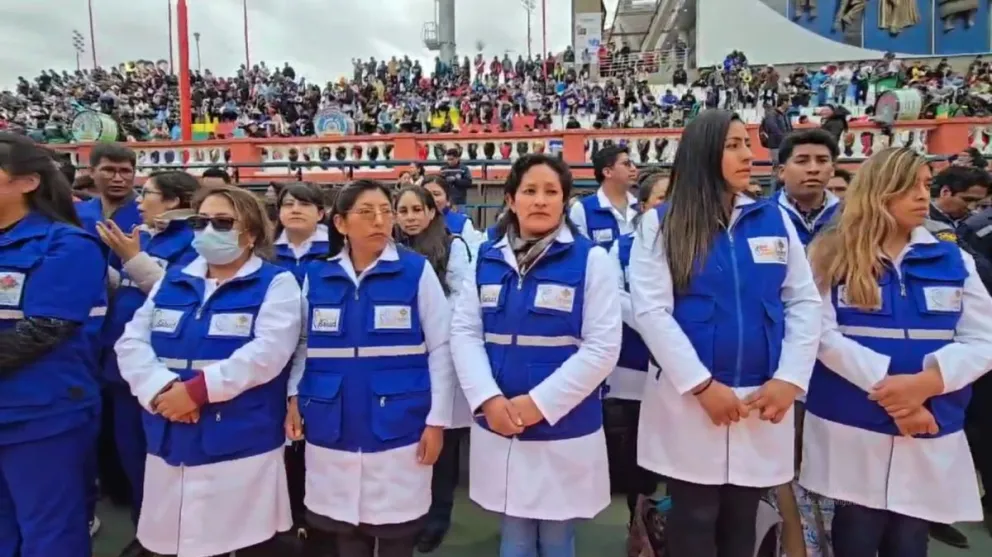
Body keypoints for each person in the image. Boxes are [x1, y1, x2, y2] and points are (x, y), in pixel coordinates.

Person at [630, 110, 822, 557]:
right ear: (704, 152)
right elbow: (653, 312)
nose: (748, 155)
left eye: (748, 144)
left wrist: (790, 379)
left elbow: (803, 301)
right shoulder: (661, 224)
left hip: (762, 400)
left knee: (744, 519)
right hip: (691, 402)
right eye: (733, 145)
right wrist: (701, 386)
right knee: (693, 519)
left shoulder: (773, 220)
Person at [802, 147, 992, 557]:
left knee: (909, 537)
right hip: (852, 421)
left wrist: (926, 384)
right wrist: (898, 396)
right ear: (879, 191)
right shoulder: (828, 255)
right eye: (910, 187)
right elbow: (818, 334)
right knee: (857, 531)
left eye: (926, 185)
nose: (924, 196)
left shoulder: (953, 258)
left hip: (931, 422)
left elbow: (984, 339)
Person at [115, 185, 302, 557]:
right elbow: (131, 342)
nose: (208, 231)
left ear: (249, 234)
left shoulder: (276, 283)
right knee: (173, 540)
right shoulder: (173, 280)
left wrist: (197, 391)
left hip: (238, 435)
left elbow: (267, 353)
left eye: (222, 222)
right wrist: (163, 390)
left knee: (241, 540)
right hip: (170, 427)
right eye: (201, 222)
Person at [451, 154, 621, 557]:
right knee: (515, 534)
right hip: (499, 421)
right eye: (530, 191)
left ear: (565, 201)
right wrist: (488, 400)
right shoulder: (486, 260)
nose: (540, 200)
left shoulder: (590, 260)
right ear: (510, 199)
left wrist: (539, 405)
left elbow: (602, 346)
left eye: (551, 192)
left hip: (563, 423)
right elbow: (465, 332)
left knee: (558, 535)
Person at [286, 180, 453, 557]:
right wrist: (294, 394)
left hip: (399, 426)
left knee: (397, 537)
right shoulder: (317, 276)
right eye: (366, 212)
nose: (380, 221)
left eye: (385, 211)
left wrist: (437, 421)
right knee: (346, 537)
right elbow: (303, 344)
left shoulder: (416, 271)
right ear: (341, 224)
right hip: (333, 424)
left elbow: (442, 348)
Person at [0, 133, 107, 557]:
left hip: (42, 416)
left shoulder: (66, 245)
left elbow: (44, 330)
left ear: (27, 182)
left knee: (49, 534)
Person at [94, 170, 199, 555]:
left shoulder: (194, 242)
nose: (139, 200)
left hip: (166, 375)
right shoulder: (146, 235)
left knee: (164, 464)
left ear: (173, 201)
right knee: (132, 459)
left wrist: (133, 258)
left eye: (148, 193)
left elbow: (182, 297)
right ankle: (146, 536)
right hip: (123, 370)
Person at [393, 185, 474, 553]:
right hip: (404, 357)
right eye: (403, 210)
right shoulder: (388, 248)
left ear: (431, 212)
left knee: (444, 441)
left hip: (442, 351)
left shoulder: (453, 245)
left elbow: (461, 297)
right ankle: (411, 512)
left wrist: (431, 327)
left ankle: (439, 514)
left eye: (416, 210)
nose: (409, 217)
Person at [604, 169, 668, 525]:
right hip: (632, 367)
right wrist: (654, 320)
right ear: (643, 206)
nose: (669, 204)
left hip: (683, 371)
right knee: (635, 456)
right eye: (661, 198)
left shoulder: (697, 243)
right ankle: (638, 524)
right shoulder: (622, 246)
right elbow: (615, 295)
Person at [75, 143, 142, 271]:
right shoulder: (77, 212)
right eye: (108, 170)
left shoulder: (149, 216)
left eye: (125, 171)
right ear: (92, 172)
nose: (118, 178)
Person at [773, 129, 842, 247]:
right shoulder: (762, 215)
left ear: (833, 169)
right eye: (802, 161)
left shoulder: (850, 215)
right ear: (781, 171)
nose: (813, 169)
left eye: (822, 161)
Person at [569, 145, 638, 248]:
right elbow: (578, 252)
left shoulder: (641, 206)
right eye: (626, 164)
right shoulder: (582, 209)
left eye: (633, 164)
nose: (634, 169)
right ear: (607, 172)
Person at [273, 182, 330, 283]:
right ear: (279, 212)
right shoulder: (264, 251)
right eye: (288, 204)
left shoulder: (338, 251)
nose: (295, 210)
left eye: (305, 204)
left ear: (320, 214)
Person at [423, 175, 480, 243]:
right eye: (426, 194)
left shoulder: (463, 223)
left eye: (436, 194)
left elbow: (471, 251)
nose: (431, 198)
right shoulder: (413, 222)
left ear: (448, 200)